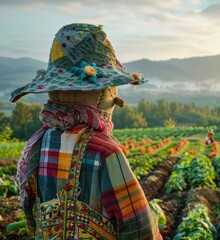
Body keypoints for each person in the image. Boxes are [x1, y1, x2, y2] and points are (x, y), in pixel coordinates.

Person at [10, 23, 162, 239]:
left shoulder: (38, 142)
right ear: (102, 92)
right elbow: (139, 227)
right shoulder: (104, 150)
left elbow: (31, 212)